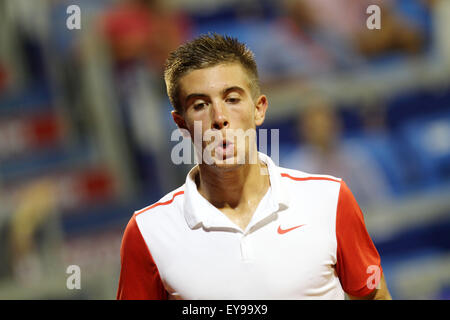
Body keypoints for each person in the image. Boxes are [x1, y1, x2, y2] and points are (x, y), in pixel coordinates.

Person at [116, 34, 392, 300]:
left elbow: (374, 295)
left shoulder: (329, 199)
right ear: (181, 125)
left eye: (232, 99)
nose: (219, 117)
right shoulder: (147, 231)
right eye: (200, 105)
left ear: (259, 109)